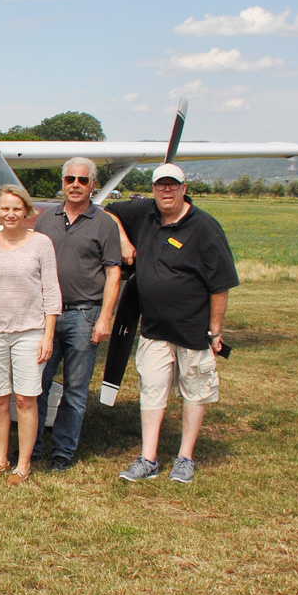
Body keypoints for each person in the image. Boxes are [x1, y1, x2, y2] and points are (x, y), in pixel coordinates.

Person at [106, 163, 238, 484]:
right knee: (151, 391)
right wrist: (124, 240)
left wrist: (215, 331)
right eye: (161, 185)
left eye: (173, 185)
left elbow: (220, 285)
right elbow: (107, 210)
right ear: (153, 189)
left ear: (184, 188)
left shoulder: (205, 227)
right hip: (153, 328)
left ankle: (185, 458)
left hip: (193, 329)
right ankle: (148, 458)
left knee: (194, 392)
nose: (166, 191)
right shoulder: (146, 213)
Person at [0, 184, 61, 486]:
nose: (10, 214)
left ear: (27, 211)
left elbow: (51, 291)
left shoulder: (41, 243)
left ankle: (23, 464)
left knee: (25, 398)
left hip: (30, 331)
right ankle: (0, 459)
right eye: (5, 208)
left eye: (17, 208)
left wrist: (48, 334)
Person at [31, 157, 122, 471]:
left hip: (85, 314)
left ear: (93, 185)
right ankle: (32, 448)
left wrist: (105, 317)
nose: (75, 185)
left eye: (83, 180)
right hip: (47, 316)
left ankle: (64, 451)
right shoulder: (45, 220)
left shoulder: (105, 224)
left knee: (76, 388)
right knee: (37, 383)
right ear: (63, 182)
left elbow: (113, 273)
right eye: (70, 179)